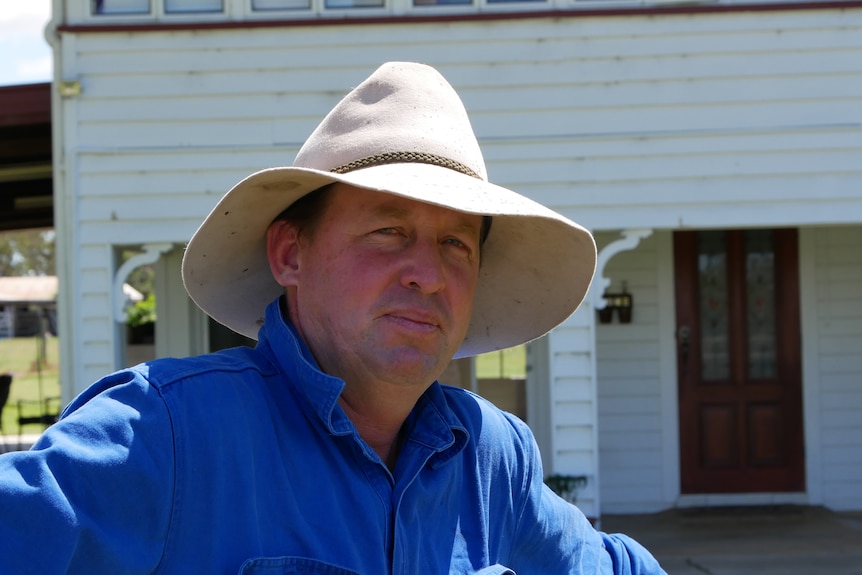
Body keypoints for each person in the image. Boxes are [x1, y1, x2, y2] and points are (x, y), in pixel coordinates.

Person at [0, 61, 666, 574]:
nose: (429, 274)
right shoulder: (168, 433)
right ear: (291, 253)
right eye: (387, 231)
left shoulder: (493, 458)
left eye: (456, 244)